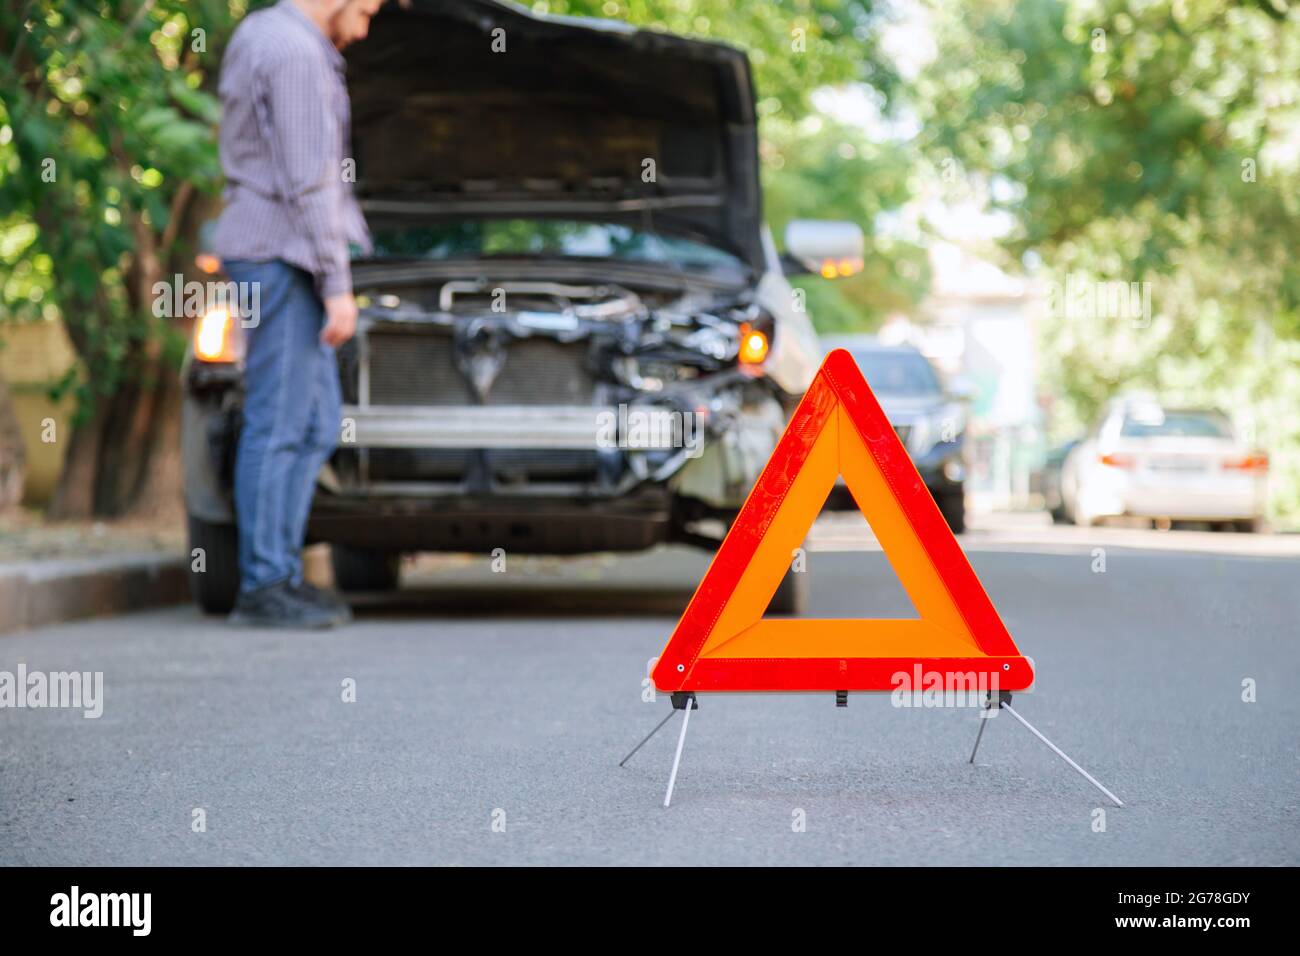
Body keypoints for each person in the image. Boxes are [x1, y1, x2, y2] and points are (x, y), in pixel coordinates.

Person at [214, 0, 386, 628]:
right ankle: (264, 586)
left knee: (314, 424)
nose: (364, 27)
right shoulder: (293, 51)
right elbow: (311, 180)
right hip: (282, 254)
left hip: (279, 252)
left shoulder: (266, 34)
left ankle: (279, 573)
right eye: (365, 9)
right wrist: (337, 284)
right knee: (279, 422)